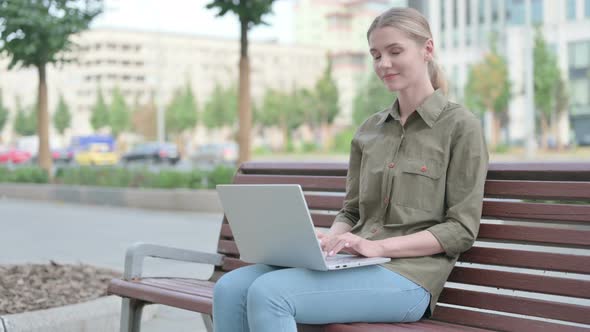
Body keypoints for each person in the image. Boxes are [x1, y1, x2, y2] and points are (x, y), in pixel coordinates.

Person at [212, 7, 488, 332]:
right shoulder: (370, 130)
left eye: (394, 51)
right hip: (354, 264)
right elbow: (353, 211)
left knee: (271, 294)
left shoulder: (460, 126)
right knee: (229, 288)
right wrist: (333, 238)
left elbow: (461, 229)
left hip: (410, 278)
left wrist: (379, 247)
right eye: (375, 55)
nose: (383, 64)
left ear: (427, 49)